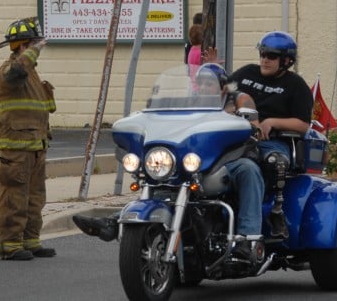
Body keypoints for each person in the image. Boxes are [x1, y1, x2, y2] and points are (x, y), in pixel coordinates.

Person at [73, 63, 256, 243]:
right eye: (199, 82)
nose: (202, 87)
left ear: (223, 87)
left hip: (223, 160)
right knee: (161, 186)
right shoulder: (187, 103)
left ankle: (248, 237)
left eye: (209, 83)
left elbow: (253, 126)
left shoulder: (237, 100)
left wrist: (243, 121)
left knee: (248, 170)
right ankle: (113, 221)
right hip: (191, 160)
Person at [228, 31, 313, 245]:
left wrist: (272, 121)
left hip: (272, 142)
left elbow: (303, 124)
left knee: (252, 168)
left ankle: (249, 237)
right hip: (235, 139)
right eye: (263, 54)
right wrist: (213, 72)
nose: (265, 59)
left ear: (286, 61)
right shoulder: (245, 73)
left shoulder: (295, 85)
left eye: (272, 56)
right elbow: (223, 92)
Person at [0, 17, 57, 261]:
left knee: (35, 198)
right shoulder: (9, 72)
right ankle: (10, 245)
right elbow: (16, 72)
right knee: (14, 199)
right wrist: (34, 51)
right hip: (15, 151)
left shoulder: (31, 74)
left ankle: (30, 240)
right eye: (31, 44)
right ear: (21, 46)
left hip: (35, 147)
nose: (37, 48)